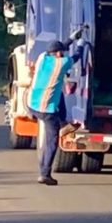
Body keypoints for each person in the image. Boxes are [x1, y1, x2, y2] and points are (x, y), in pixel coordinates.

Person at [27, 27, 85, 186]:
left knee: (58, 93)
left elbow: (60, 48)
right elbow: (76, 56)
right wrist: (80, 43)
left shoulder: (42, 58)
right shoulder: (61, 64)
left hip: (32, 103)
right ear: (59, 54)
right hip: (46, 109)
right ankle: (44, 174)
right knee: (52, 142)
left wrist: (71, 38)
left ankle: (63, 122)